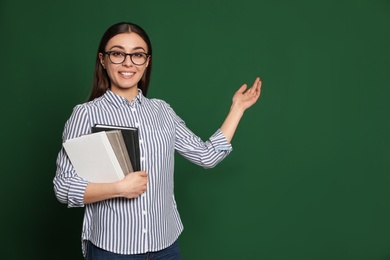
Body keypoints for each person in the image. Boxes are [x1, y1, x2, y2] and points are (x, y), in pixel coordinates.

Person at [53, 21, 262, 260]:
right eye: (118, 53)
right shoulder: (86, 114)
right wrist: (118, 188)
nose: (128, 62)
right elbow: (63, 186)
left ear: (147, 61)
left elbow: (207, 155)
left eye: (138, 55)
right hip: (113, 249)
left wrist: (237, 108)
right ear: (103, 59)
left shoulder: (162, 111)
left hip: (165, 246)